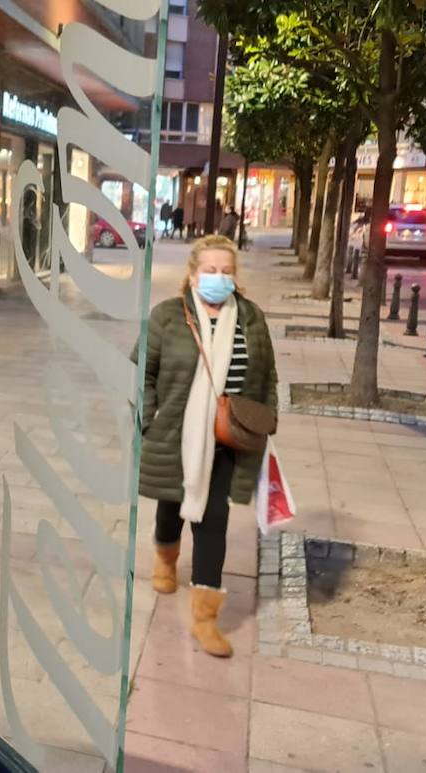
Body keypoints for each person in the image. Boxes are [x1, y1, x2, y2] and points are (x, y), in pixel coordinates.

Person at [134, 235, 278, 658]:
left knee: (213, 519)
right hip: (175, 433)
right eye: (210, 270)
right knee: (172, 500)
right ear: (193, 274)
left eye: (226, 271)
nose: (218, 278)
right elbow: (141, 370)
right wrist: (149, 418)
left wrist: (264, 420)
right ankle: (165, 559)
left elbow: (267, 376)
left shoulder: (251, 319)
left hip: (229, 437)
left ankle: (205, 618)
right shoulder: (167, 317)